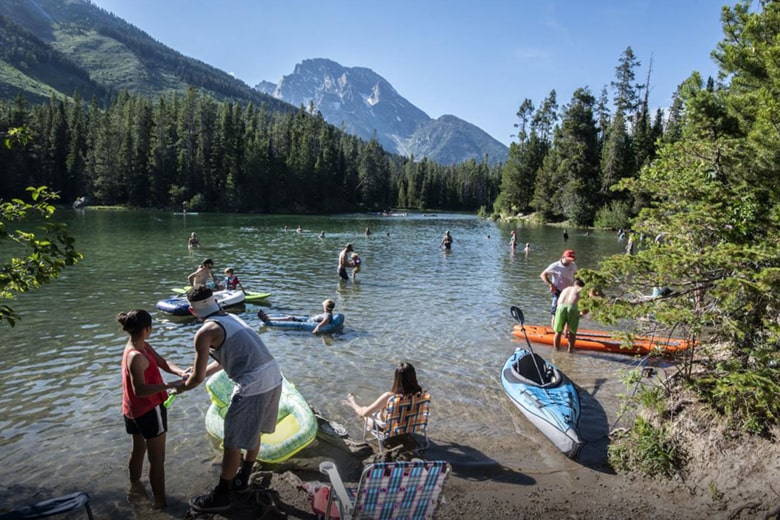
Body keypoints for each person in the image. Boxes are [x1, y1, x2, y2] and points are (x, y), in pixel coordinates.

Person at [177, 286, 283, 513]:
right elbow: (225, 360)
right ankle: (242, 479)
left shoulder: (204, 333)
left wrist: (179, 388)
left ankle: (222, 495)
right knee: (256, 432)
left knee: (232, 443)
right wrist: (202, 372)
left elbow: (194, 379)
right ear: (216, 302)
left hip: (253, 385)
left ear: (191, 310)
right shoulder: (230, 317)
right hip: (274, 376)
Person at [118, 309, 187, 510]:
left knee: (138, 448)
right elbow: (140, 390)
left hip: (131, 409)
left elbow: (162, 362)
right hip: (148, 409)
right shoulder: (137, 356)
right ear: (147, 329)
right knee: (157, 460)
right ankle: (160, 502)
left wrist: (181, 372)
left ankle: (135, 487)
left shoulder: (139, 345)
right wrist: (169, 386)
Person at [343, 361, 423, 431]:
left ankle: (351, 403)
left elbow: (365, 414)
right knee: (379, 410)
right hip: (408, 426)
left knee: (364, 410)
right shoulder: (420, 395)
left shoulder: (390, 397)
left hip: (387, 428)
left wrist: (353, 403)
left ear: (397, 378)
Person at [540, 249, 578, 327]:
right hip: (557, 291)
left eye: (572, 260)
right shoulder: (555, 265)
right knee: (555, 312)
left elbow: (577, 275)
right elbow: (543, 275)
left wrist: (577, 287)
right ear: (564, 257)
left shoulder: (573, 265)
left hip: (569, 292)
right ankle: (554, 331)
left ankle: (566, 333)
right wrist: (551, 284)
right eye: (569, 259)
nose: (570, 261)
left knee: (568, 312)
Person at [257, 299, 337, 335]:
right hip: (308, 320)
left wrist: (317, 328)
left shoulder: (327, 314)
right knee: (289, 317)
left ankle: (267, 319)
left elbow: (326, 320)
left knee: (289, 318)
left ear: (325, 307)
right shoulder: (328, 313)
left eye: (323, 305)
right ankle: (267, 316)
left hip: (307, 323)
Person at [552, 279, 585, 352]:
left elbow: (558, 301)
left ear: (574, 284)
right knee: (572, 332)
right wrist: (582, 313)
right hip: (572, 307)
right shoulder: (581, 289)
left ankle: (556, 350)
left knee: (558, 331)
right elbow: (586, 304)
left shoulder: (566, 289)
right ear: (582, 285)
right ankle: (570, 351)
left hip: (560, 307)